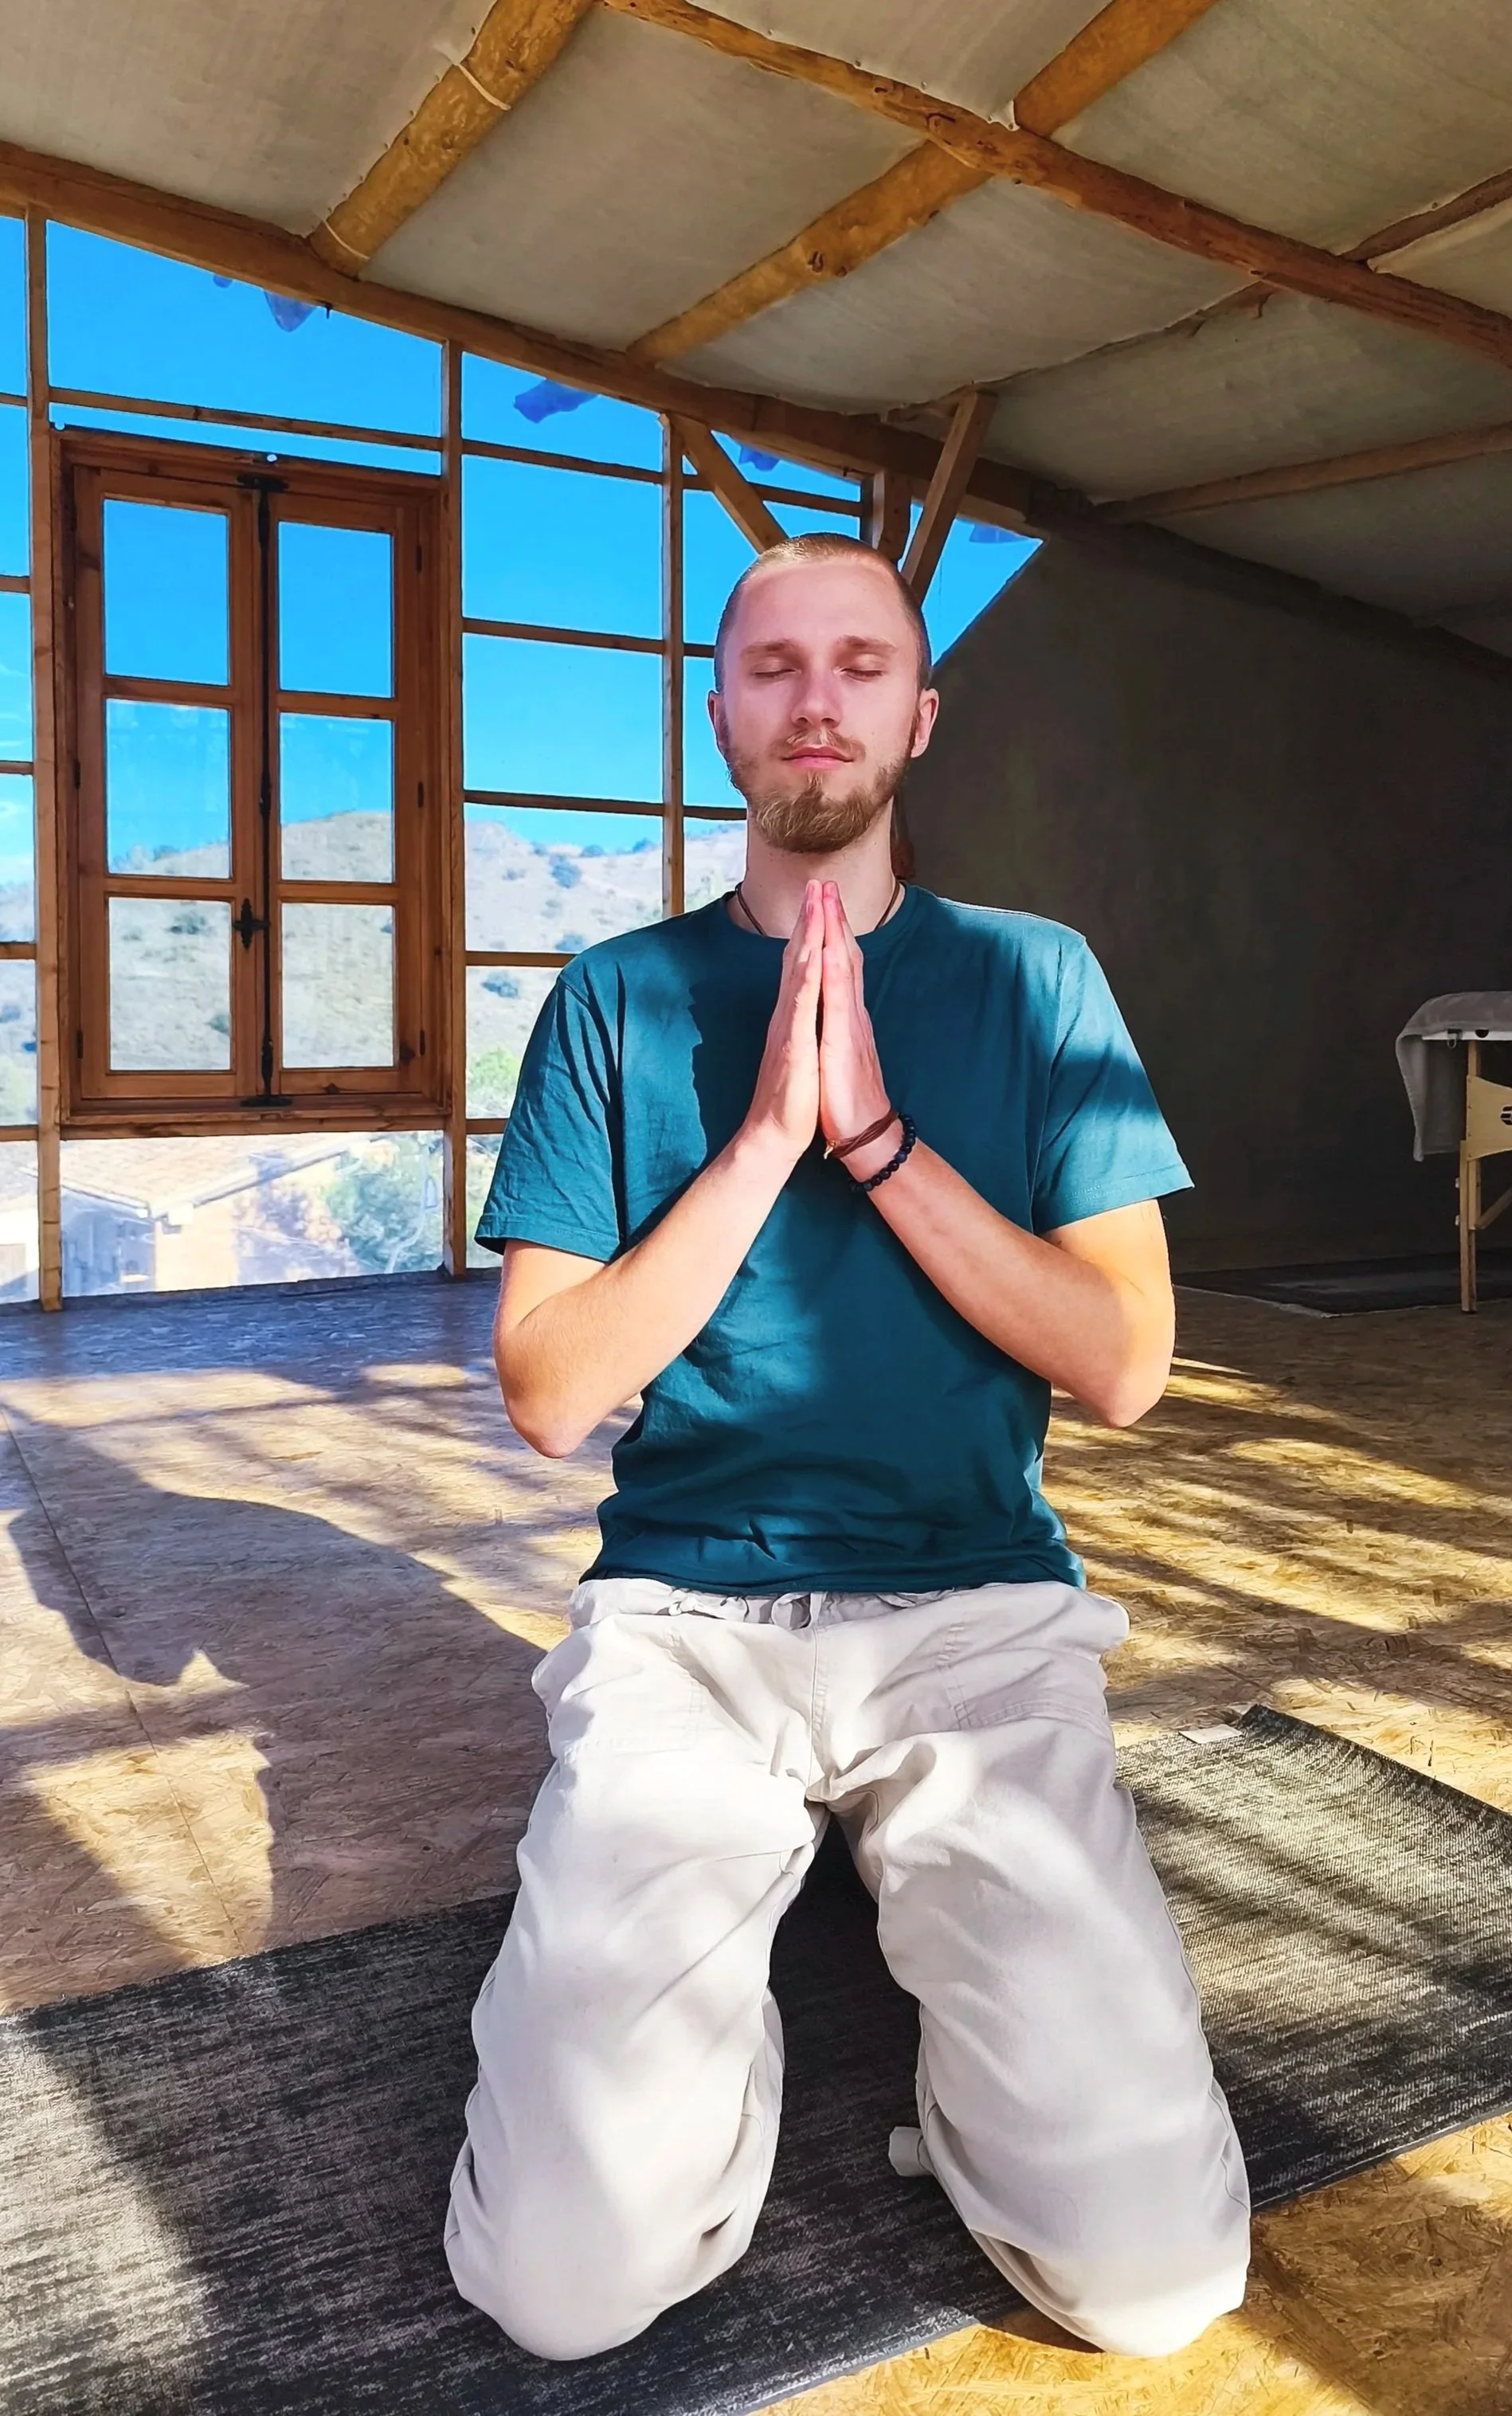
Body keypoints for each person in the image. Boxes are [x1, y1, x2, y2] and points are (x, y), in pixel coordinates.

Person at [445, 531, 1250, 2363]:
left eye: (862, 664)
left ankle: (959, 2078)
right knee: (557, 2287)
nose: (817, 699)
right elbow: (553, 1393)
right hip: (684, 1630)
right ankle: (724, 2053)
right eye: (775, 665)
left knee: (1154, 2285)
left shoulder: (1038, 980)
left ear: (921, 714)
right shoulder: (613, 999)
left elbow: (1125, 1362)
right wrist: (763, 1141)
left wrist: (878, 1141)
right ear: (720, 712)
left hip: (978, 1619)